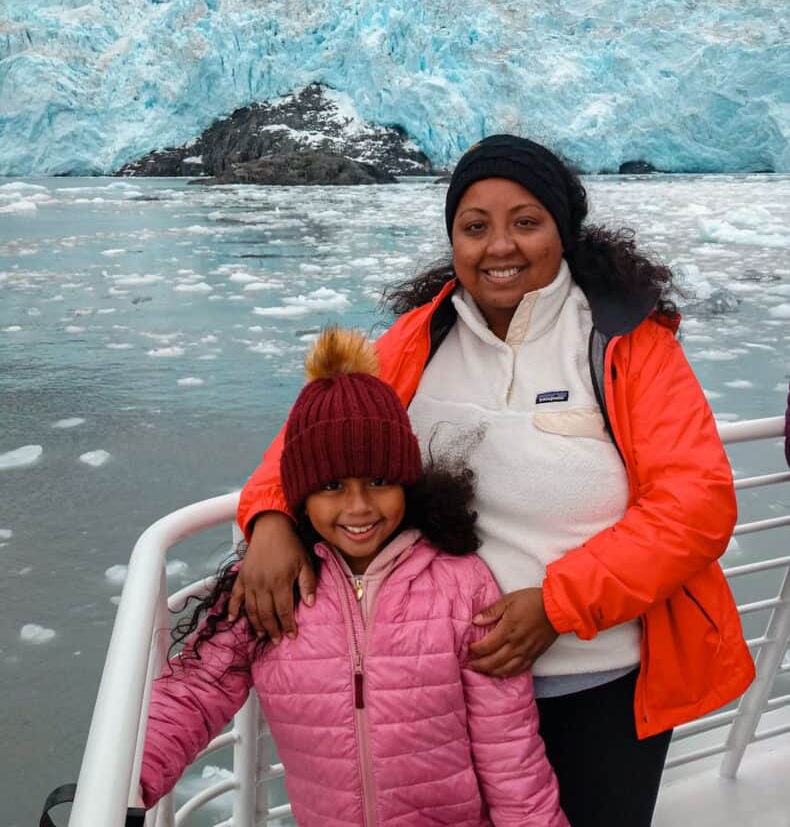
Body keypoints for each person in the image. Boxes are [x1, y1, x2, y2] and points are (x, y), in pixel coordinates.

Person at [230, 135, 755, 826]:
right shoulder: (419, 339)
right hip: (441, 692)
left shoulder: (627, 344)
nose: (499, 246)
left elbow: (694, 507)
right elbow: (307, 443)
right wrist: (268, 518)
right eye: (475, 227)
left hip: (595, 686)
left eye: (525, 222)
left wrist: (559, 604)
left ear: (562, 232)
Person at [139, 327, 568, 826]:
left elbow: (509, 751)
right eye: (333, 486)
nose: (358, 506)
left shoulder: (460, 584)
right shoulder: (272, 590)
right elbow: (193, 695)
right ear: (300, 493)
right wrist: (126, 783)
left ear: (406, 481)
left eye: (379, 482)